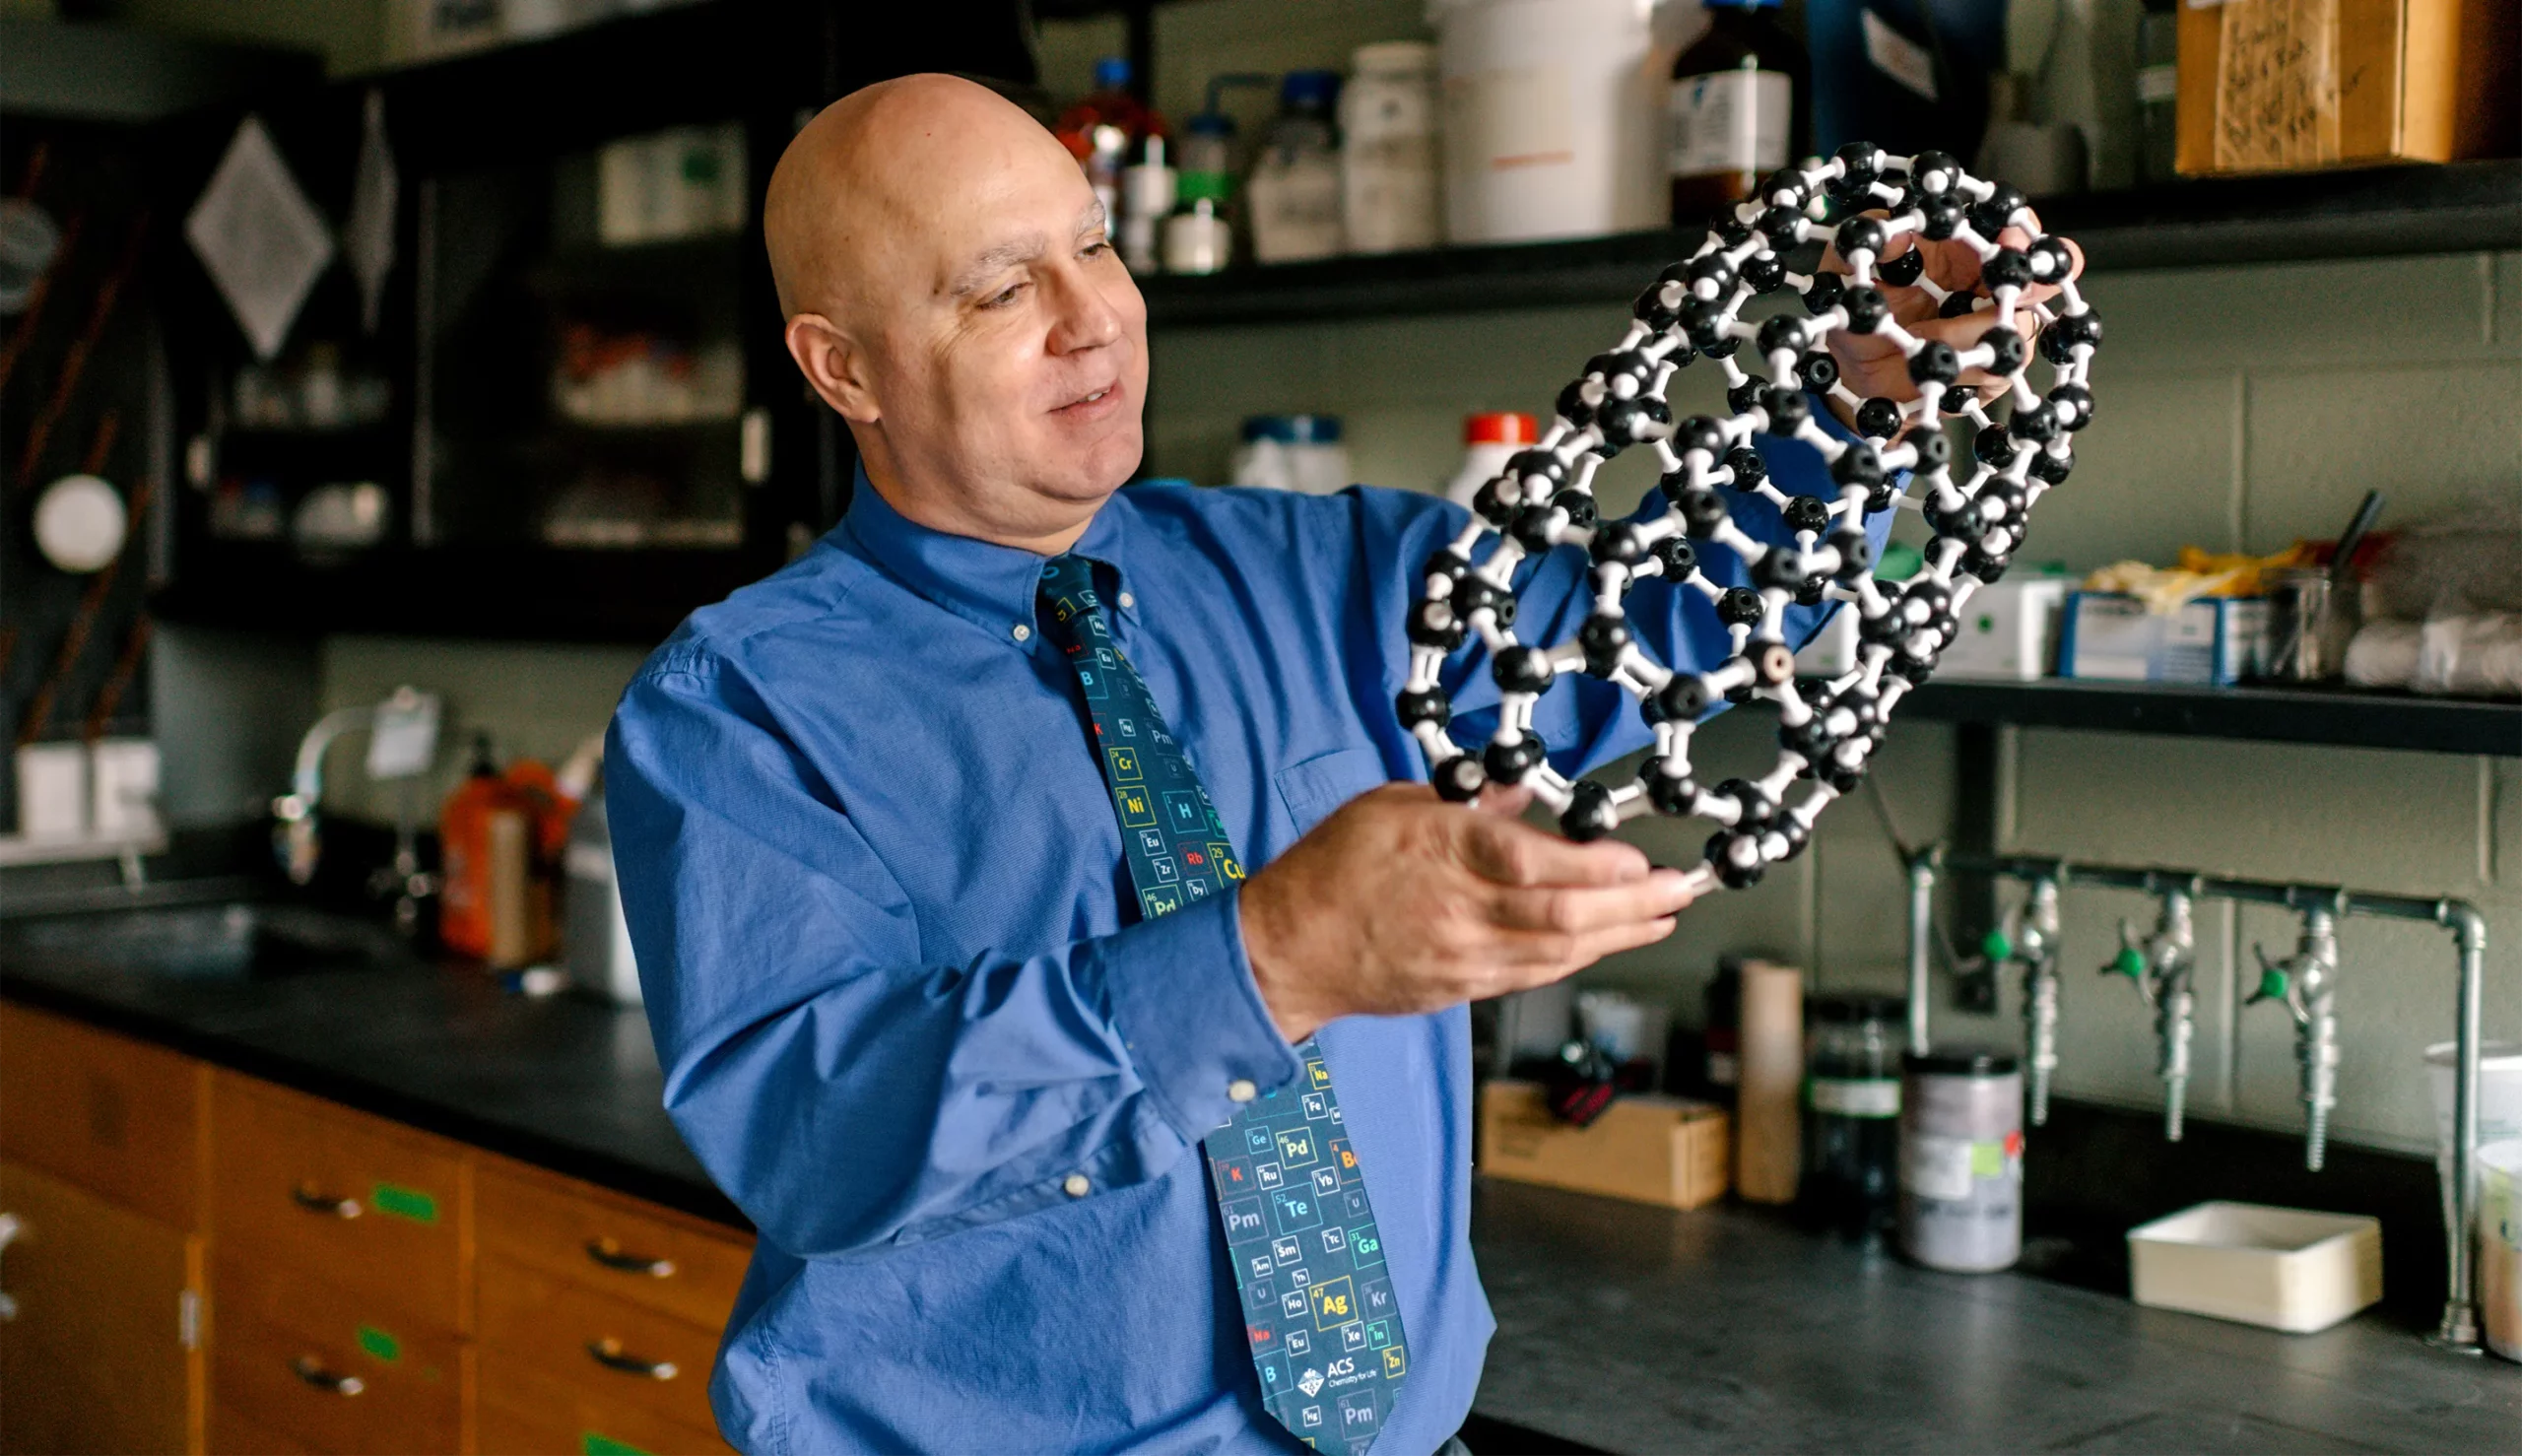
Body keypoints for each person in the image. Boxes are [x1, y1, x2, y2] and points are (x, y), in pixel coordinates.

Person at [607, 73, 2062, 1456]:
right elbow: (820, 1127)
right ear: (840, 365)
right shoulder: (735, 706)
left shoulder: (1343, 573)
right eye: (1000, 289)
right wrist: (1270, 955)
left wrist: (1857, 405)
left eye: (1097, 247)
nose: (1092, 319)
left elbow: (1667, 634)